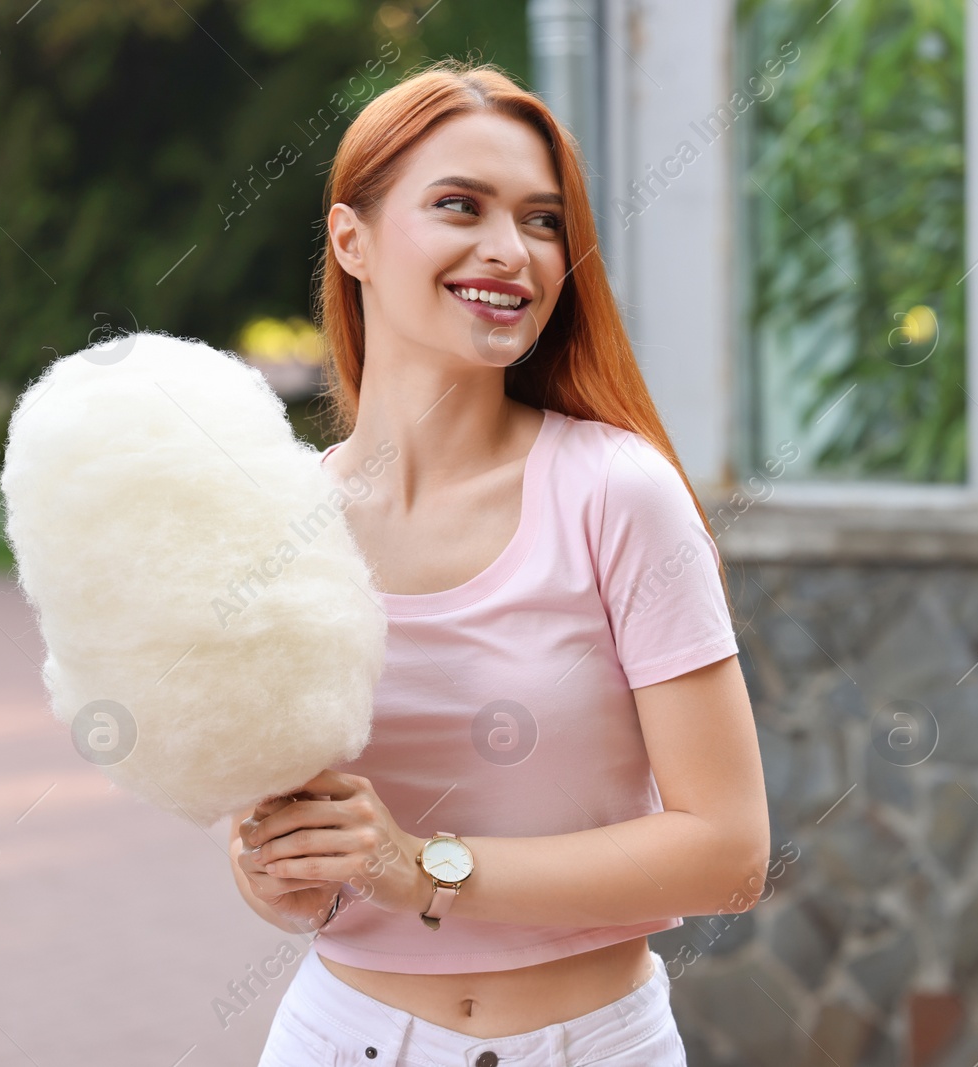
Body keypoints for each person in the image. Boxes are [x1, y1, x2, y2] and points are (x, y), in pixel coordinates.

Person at [226, 58, 769, 1066]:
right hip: (338, 1037)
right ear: (352, 239)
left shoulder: (616, 493)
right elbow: (300, 839)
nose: (509, 249)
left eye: (542, 219)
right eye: (459, 206)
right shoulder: (282, 517)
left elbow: (729, 853)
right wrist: (278, 872)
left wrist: (421, 864)